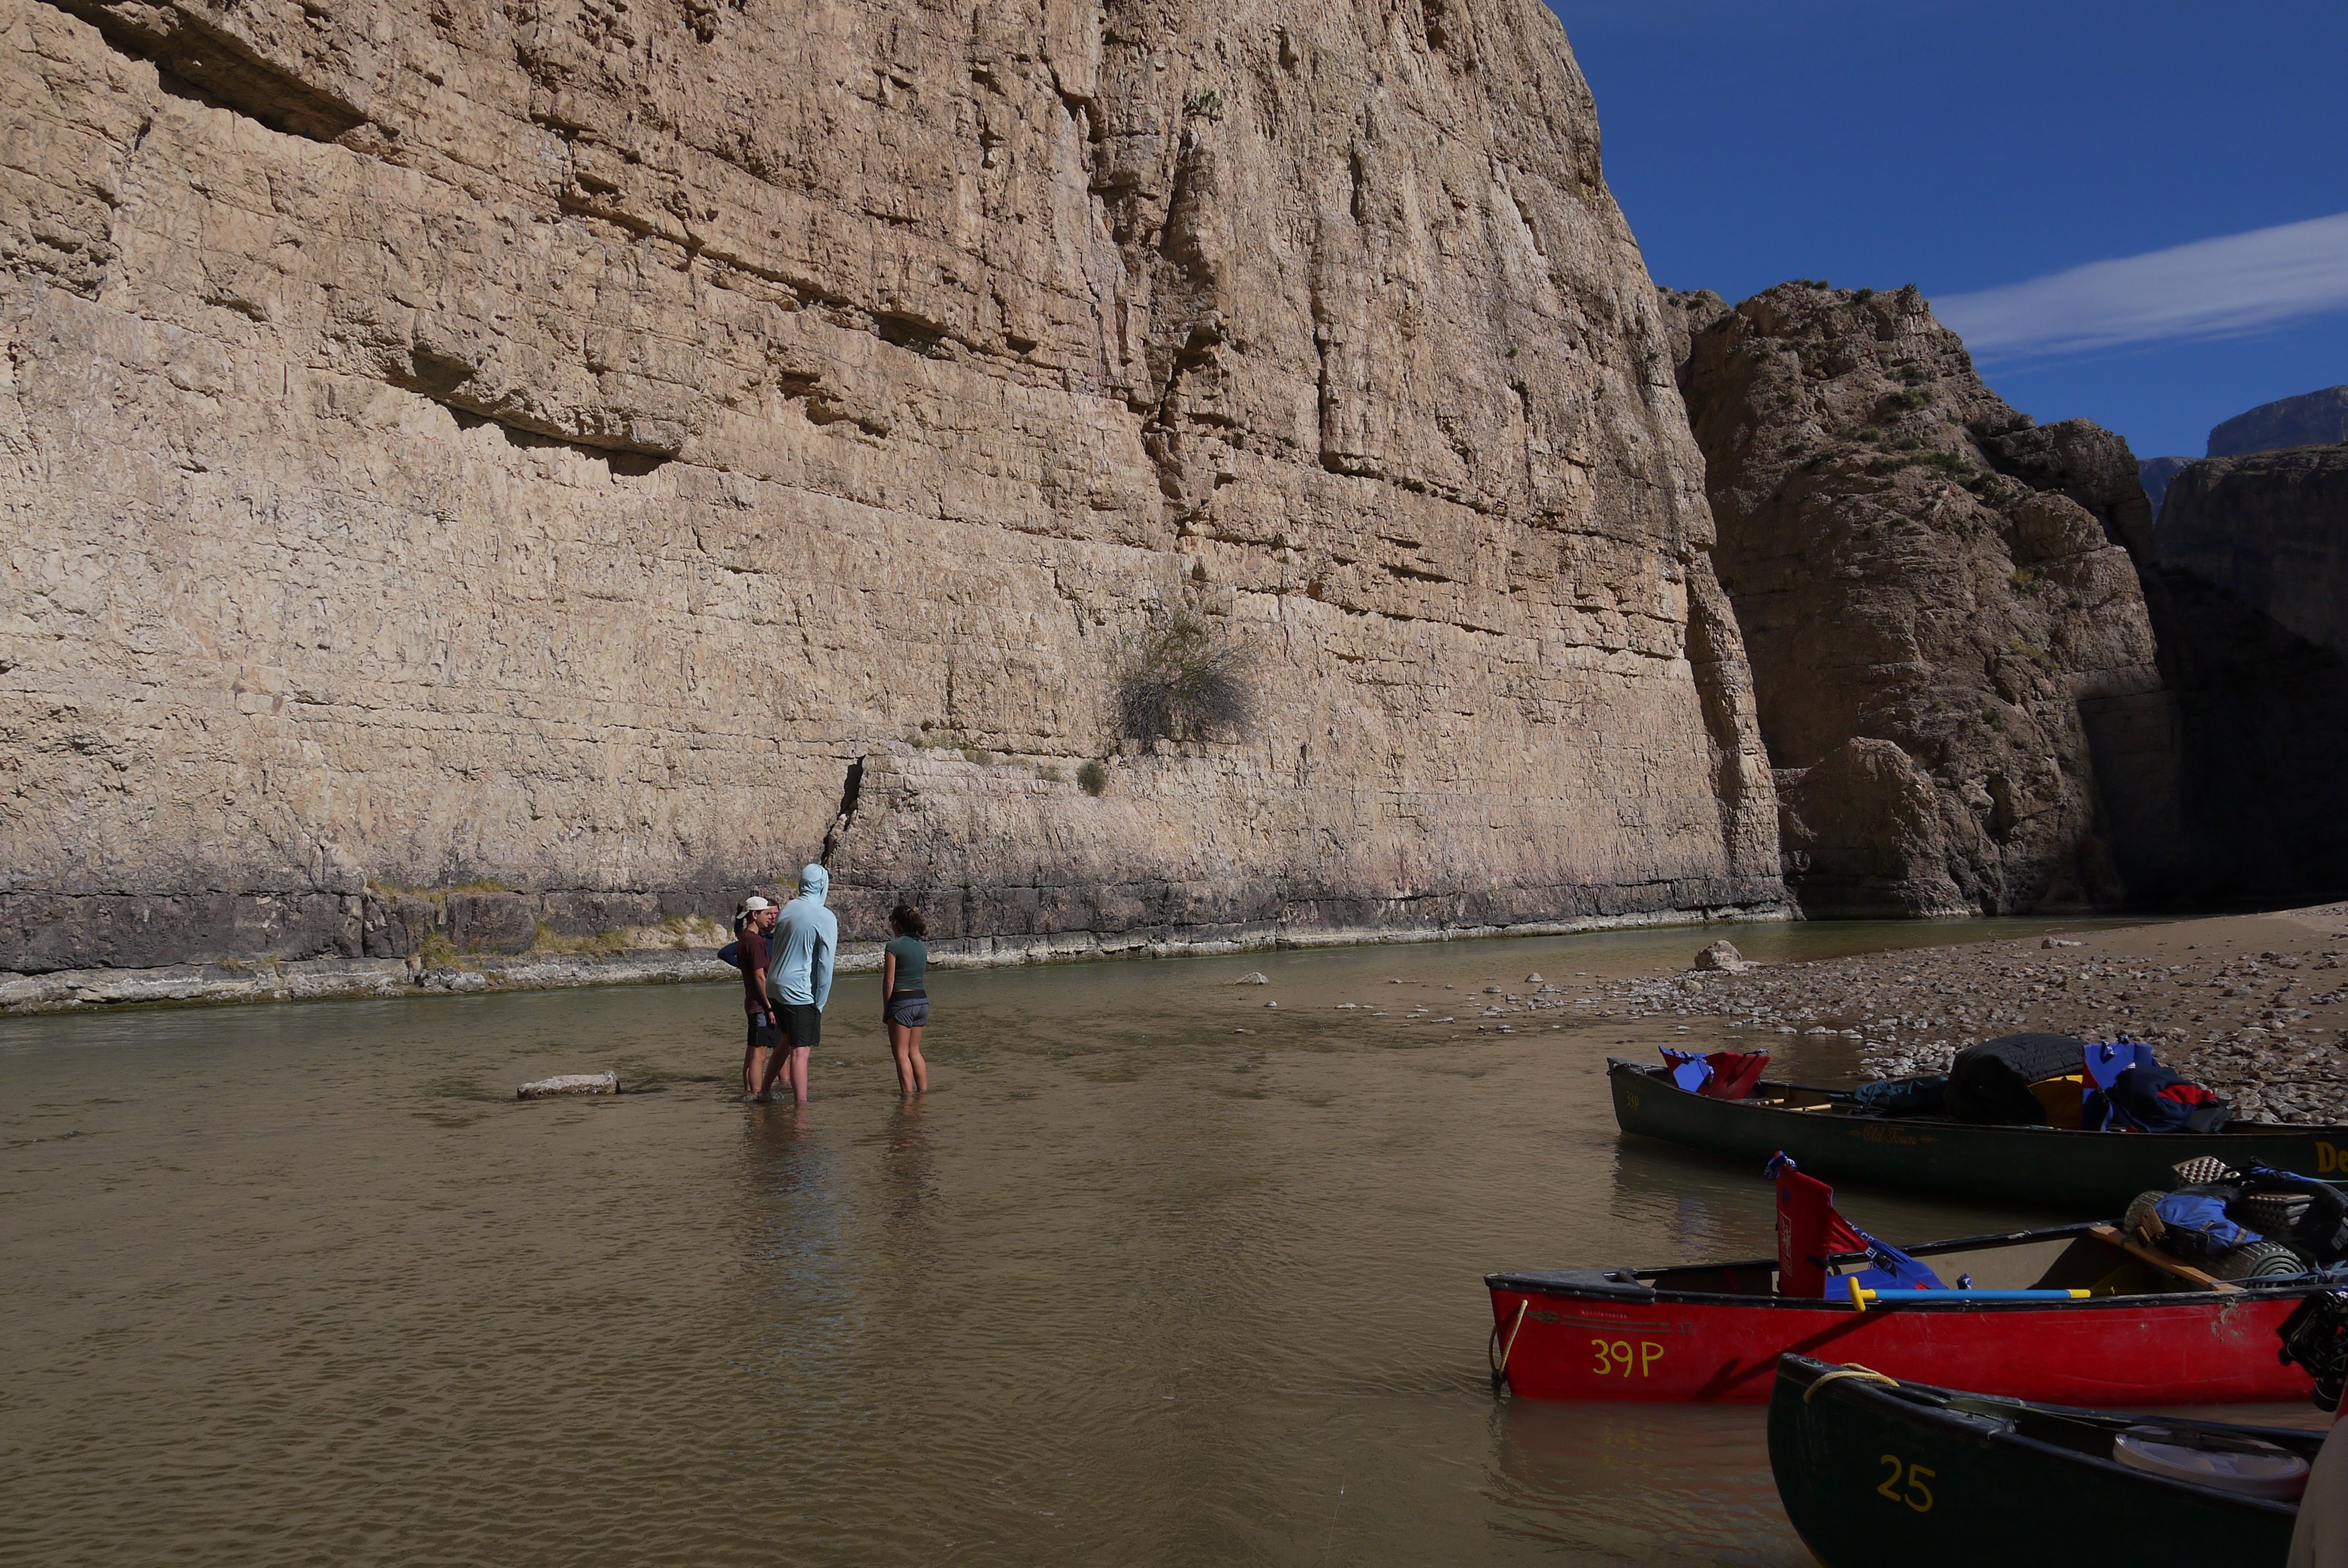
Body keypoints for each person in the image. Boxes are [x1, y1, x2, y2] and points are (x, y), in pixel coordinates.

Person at [760, 864, 837, 1104]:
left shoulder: (789, 908)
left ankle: (764, 1092)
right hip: (798, 990)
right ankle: (801, 1108)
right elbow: (826, 965)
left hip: (774, 985)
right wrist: (820, 1003)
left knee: (785, 1040)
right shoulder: (824, 916)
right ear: (823, 885)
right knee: (801, 1051)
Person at [881, 903, 930, 1096]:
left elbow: (889, 982)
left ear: (896, 922)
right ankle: (923, 1095)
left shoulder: (893, 946)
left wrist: (887, 1009)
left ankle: (907, 1099)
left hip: (902, 1002)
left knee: (901, 1054)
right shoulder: (921, 946)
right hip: (922, 1000)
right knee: (915, 1051)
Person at [736, 896, 780, 1100]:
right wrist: (770, 1006)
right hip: (760, 1005)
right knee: (760, 1054)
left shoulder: (745, 938)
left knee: (752, 1050)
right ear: (755, 915)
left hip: (753, 1003)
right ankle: (757, 1094)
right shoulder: (754, 941)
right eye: (766, 914)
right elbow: (760, 976)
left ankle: (749, 1091)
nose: (769, 918)